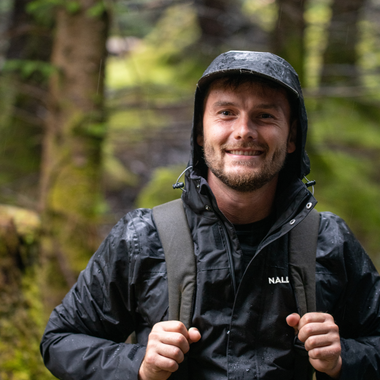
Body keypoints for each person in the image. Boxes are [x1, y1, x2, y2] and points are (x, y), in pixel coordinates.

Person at [40, 51, 380, 380]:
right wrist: (138, 364)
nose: (244, 130)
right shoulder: (142, 237)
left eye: (265, 116)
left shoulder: (329, 241)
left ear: (291, 136)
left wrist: (342, 359)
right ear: (200, 133)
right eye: (227, 113)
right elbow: (61, 341)